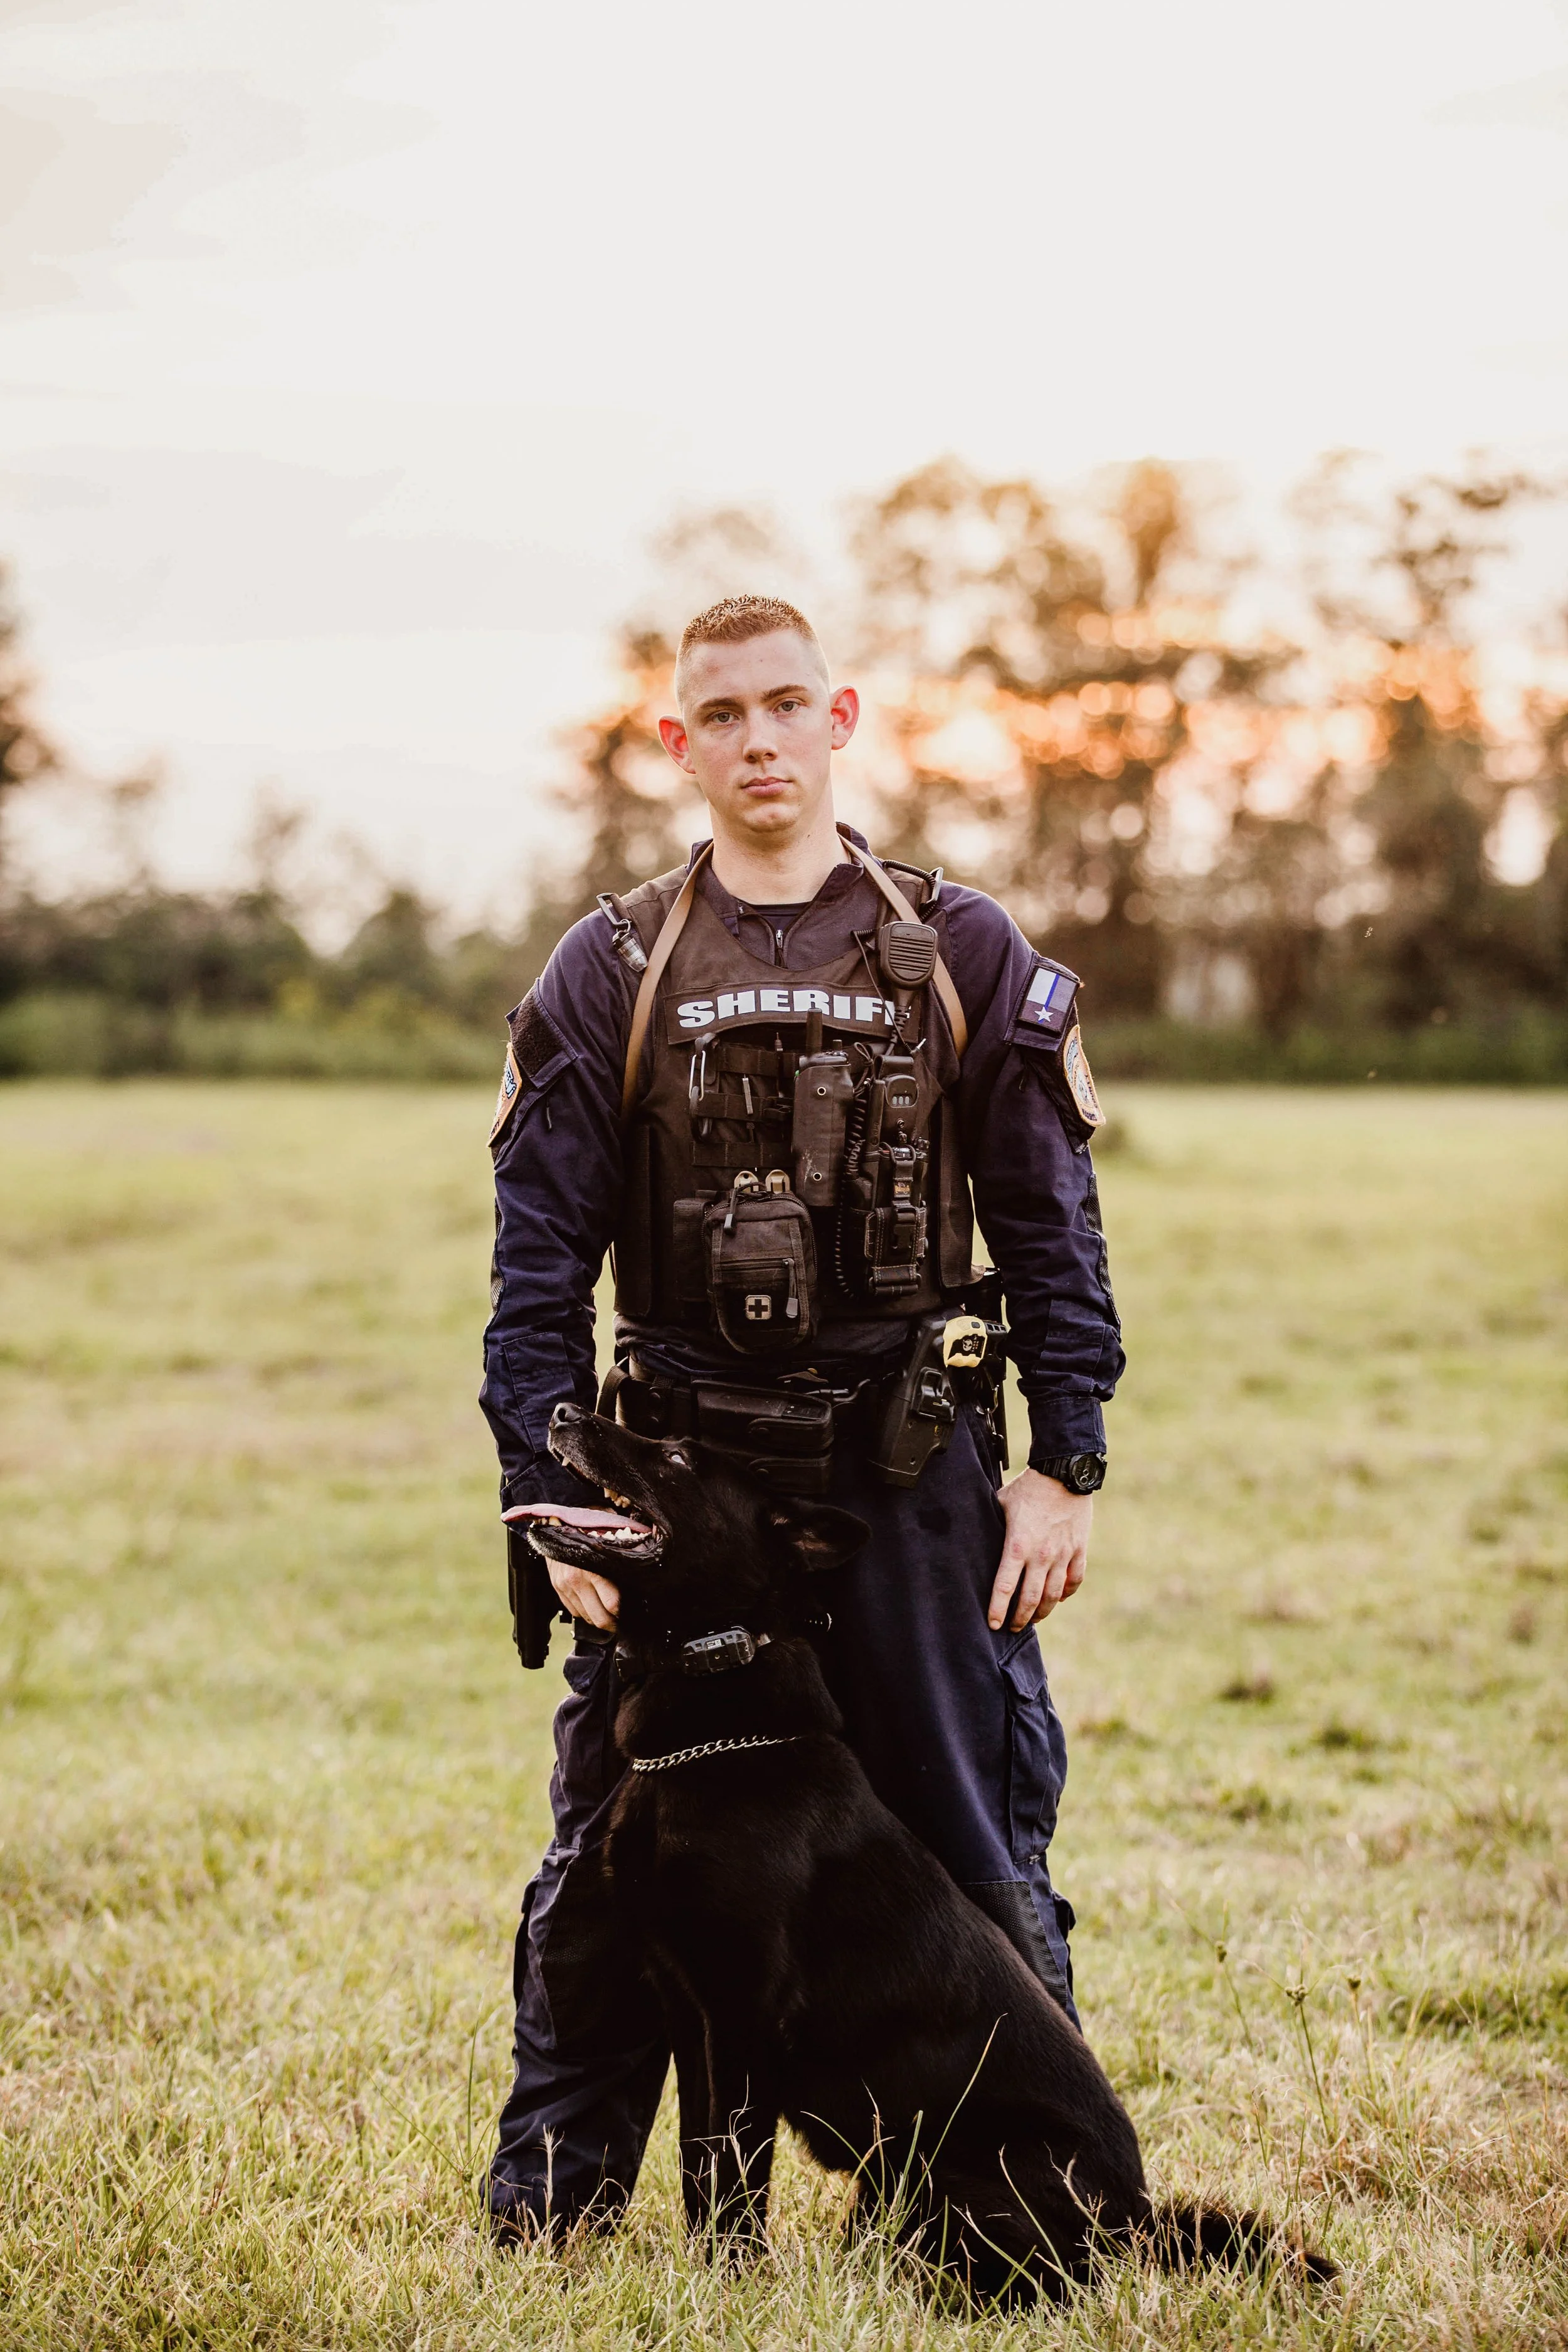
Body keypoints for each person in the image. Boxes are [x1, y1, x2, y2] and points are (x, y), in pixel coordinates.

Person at [480, 594, 1123, 2238]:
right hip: (677, 1489)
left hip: (909, 1477)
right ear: (677, 738)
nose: (756, 738)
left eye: (784, 705)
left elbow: (1051, 1228)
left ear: (839, 718)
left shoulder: (958, 950)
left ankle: (1022, 2198)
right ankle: (549, 2216)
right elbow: (535, 1271)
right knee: (609, 1871)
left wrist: (1062, 1463)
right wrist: (544, 1503)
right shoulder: (611, 964)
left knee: (966, 1835)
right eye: (721, 713)